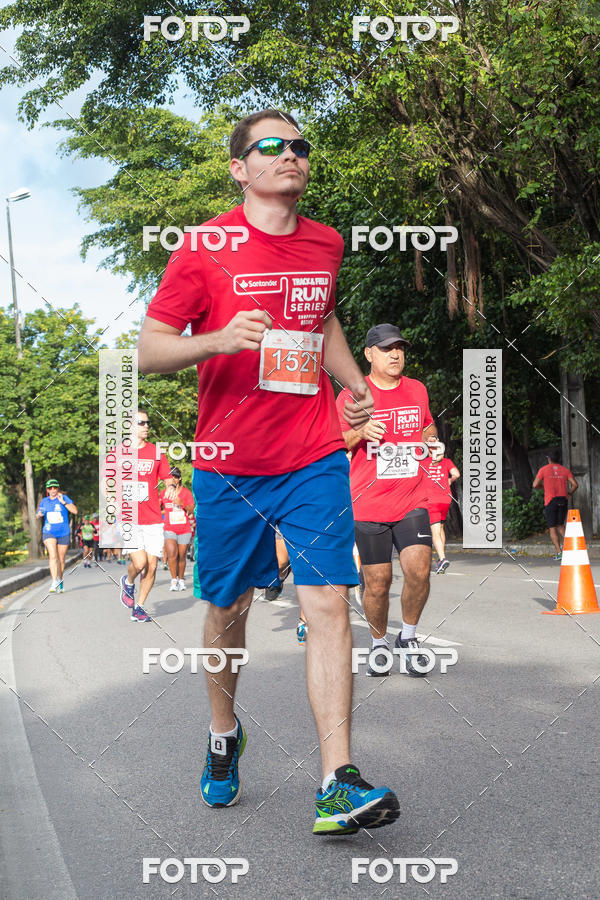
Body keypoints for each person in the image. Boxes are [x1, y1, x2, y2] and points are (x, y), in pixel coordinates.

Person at [138, 109, 400, 836]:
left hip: (312, 451)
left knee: (326, 606)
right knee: (229, 610)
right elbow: (149, 350)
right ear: (239, 168)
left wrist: (355, 386)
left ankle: (336, 781)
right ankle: (224, 734)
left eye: (300, 147)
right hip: (229, 466)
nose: (291, 156)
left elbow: (322, 323)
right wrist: (219, 338)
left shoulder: (325, 243)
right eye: (272, 146)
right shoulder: (203, 248)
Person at [336, 324, 440, 679]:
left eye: (399, 348)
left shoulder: (416, 389)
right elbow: (335, 443)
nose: (395, 354)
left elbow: (427, 425)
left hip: (412, 497)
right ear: (369, 354)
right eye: (386, 349)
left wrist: (431, 437)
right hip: (368, 503)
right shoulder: (353, 395)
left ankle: (407, 637)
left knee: (419, 571)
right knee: (378, 583)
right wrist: (360, 431)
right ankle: (379, 641)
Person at [118, 409, 173, 621]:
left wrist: (169, 486)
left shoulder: (157, 452)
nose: (146, 426)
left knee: (152, 565)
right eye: (141, 423)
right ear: (130, 426)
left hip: (153, 518)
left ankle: (139, 607)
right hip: (129, 517)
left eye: (148, 422)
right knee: (139, 563)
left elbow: (167, 477)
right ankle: (128, 582)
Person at [533, 450, 578, 558]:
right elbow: (575, 484)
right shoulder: (565, 470)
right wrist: (569, 493)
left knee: (552, 527)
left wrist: (543, 487)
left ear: (549, 459)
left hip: (550, 501)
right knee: (560, 526)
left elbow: (535, 485)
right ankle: (574, 549)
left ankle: (559, 553)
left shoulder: (543, 470)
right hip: (563, 499)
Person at [422, 448, 460, 574]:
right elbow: (456, 474)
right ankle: (440, 556)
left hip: (431, 501)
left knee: (435, 531)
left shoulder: (423, 463)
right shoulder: (446, 461)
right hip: (445, 499)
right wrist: (450, 480)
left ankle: (442, 559)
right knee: (441, 528)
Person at [36, 478, 77, 592]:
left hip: (63, 532)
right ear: (47, 490)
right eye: (50, 488)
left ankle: (60, 580)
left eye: (55, 487)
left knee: (61, 559)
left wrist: (63, 502)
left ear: (58, 488)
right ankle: (54, 582)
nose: (53, 490)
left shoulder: (64, 498)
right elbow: (38, 513)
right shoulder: (44, 501)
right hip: (49, 532)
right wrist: (38, 514)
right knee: (53, 556)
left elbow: (75, 511)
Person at [159, 467, 195, 591]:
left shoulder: (186, 493)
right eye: (170, 477)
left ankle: (181, 579)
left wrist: (182, 503)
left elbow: (191, 510)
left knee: (182, 556)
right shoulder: (163, 493)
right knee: (172, 554)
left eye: (175, 476)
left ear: (179, 478)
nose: (172, 479)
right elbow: (157, 508)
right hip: (169, 528)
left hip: (184, 529)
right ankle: (174, 580)